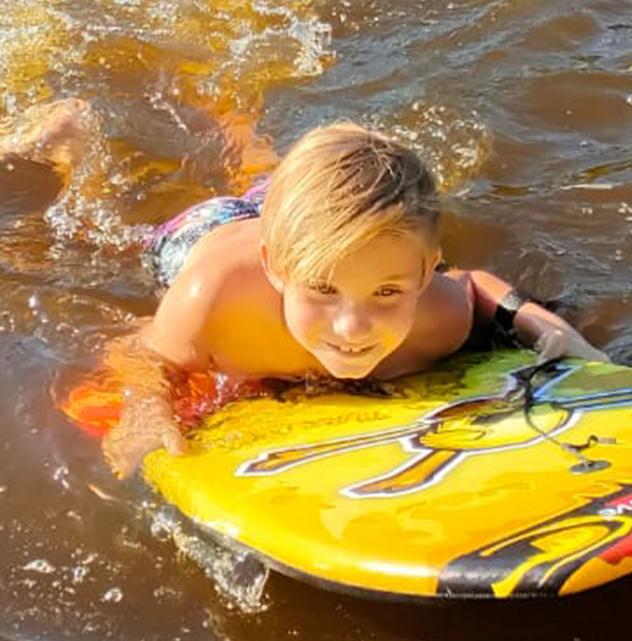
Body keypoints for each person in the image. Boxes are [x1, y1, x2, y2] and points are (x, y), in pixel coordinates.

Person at [93, 121, 605, 475]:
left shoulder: (439, 318)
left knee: (277, 182)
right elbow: (144, 353)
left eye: (387, 292)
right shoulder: (215, 300)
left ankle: (251, 143)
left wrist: (545, 326)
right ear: (276, 269)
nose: (351, 327)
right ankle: (76, 146)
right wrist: (147, 410)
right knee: (103, 227)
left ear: (427, 272)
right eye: (322, 292)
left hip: (317, 228)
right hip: (207, 233)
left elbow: (473, 286)